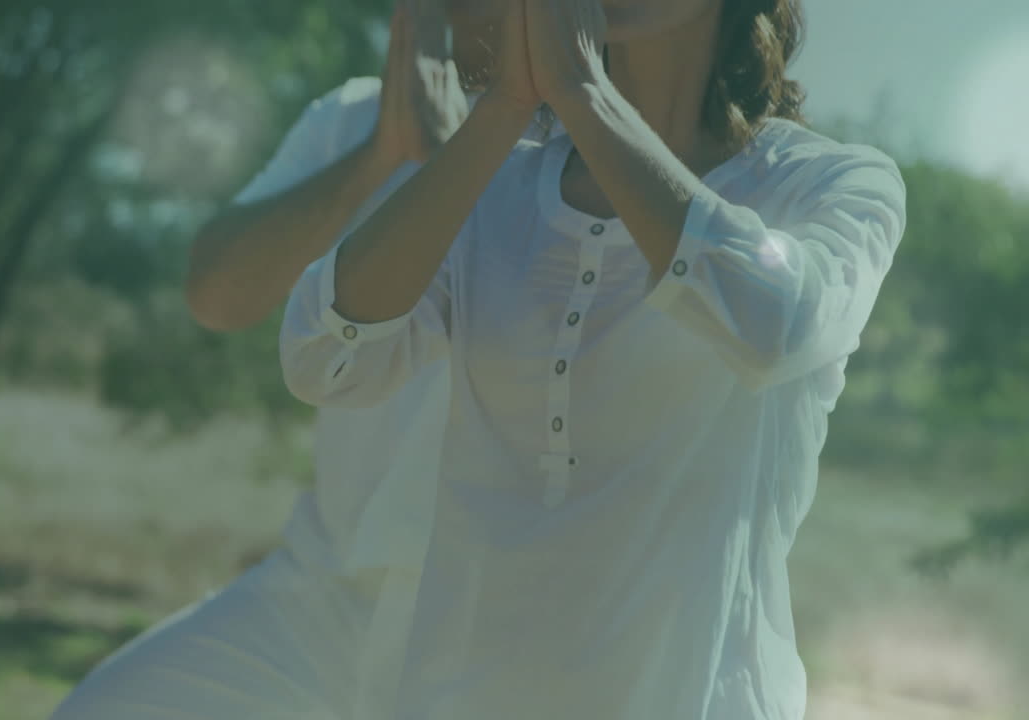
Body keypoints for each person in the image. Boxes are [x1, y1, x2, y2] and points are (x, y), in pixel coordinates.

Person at [280, 0, 905, 717]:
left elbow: (777, 323)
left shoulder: (832, 184)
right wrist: (504, 110)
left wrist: (585, 95)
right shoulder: (496, 180)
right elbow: (322, 359)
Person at [49, 2, 564, 719]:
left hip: (494, 629)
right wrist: (382, 151)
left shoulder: (599, 143)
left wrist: (463, 154)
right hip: (319, 593)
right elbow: (215, 292)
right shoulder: (353, 114)